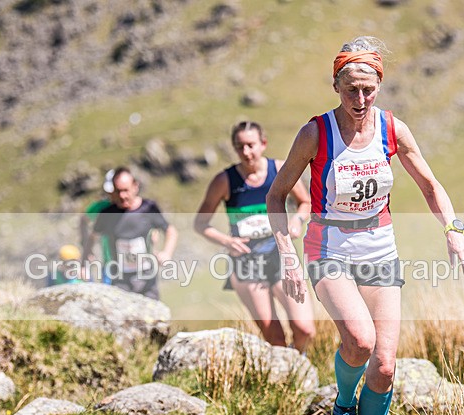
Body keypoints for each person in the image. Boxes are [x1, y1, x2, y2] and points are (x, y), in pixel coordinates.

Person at [266, 36, 464, 415]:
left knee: (383, 366)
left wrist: (454, 231)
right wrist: (287, 254)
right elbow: (277, 195)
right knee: (359, 341)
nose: (360, 99)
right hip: (328, 247)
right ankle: (343, 404)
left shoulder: (392, 129)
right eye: (350, 90)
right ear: (335, 87)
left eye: (368, 89)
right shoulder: (315, 133)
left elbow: (430, 185)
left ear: (379, 84)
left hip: (380, 247)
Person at [194, 121, 316, 352]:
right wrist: (227, 241)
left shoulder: (279, 170)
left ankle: (299, 363)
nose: (246, 152)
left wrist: (297, 221)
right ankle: (288, 378)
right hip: (247, 264)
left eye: (250, 145)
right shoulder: (224, 181)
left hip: (281, 258)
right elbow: (200, 223)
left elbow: (306, 202)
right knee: (275, 338)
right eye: (240, 147)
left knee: (305, 329)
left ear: (263, 144)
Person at [86, 167, 178, 300]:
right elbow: (93, 236)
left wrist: (167, 253)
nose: (122, 195)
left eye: (125, 190)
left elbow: (171, 231)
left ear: (135, 186)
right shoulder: (107, 214)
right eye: (118, 191)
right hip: (120, 279)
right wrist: (86, 259)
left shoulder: (148, 208)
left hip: (147, 277)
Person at [79, 171, 114, 283]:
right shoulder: (101, 206)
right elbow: (84, 220)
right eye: (109, 192)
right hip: (108, 262)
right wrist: (86, 245)